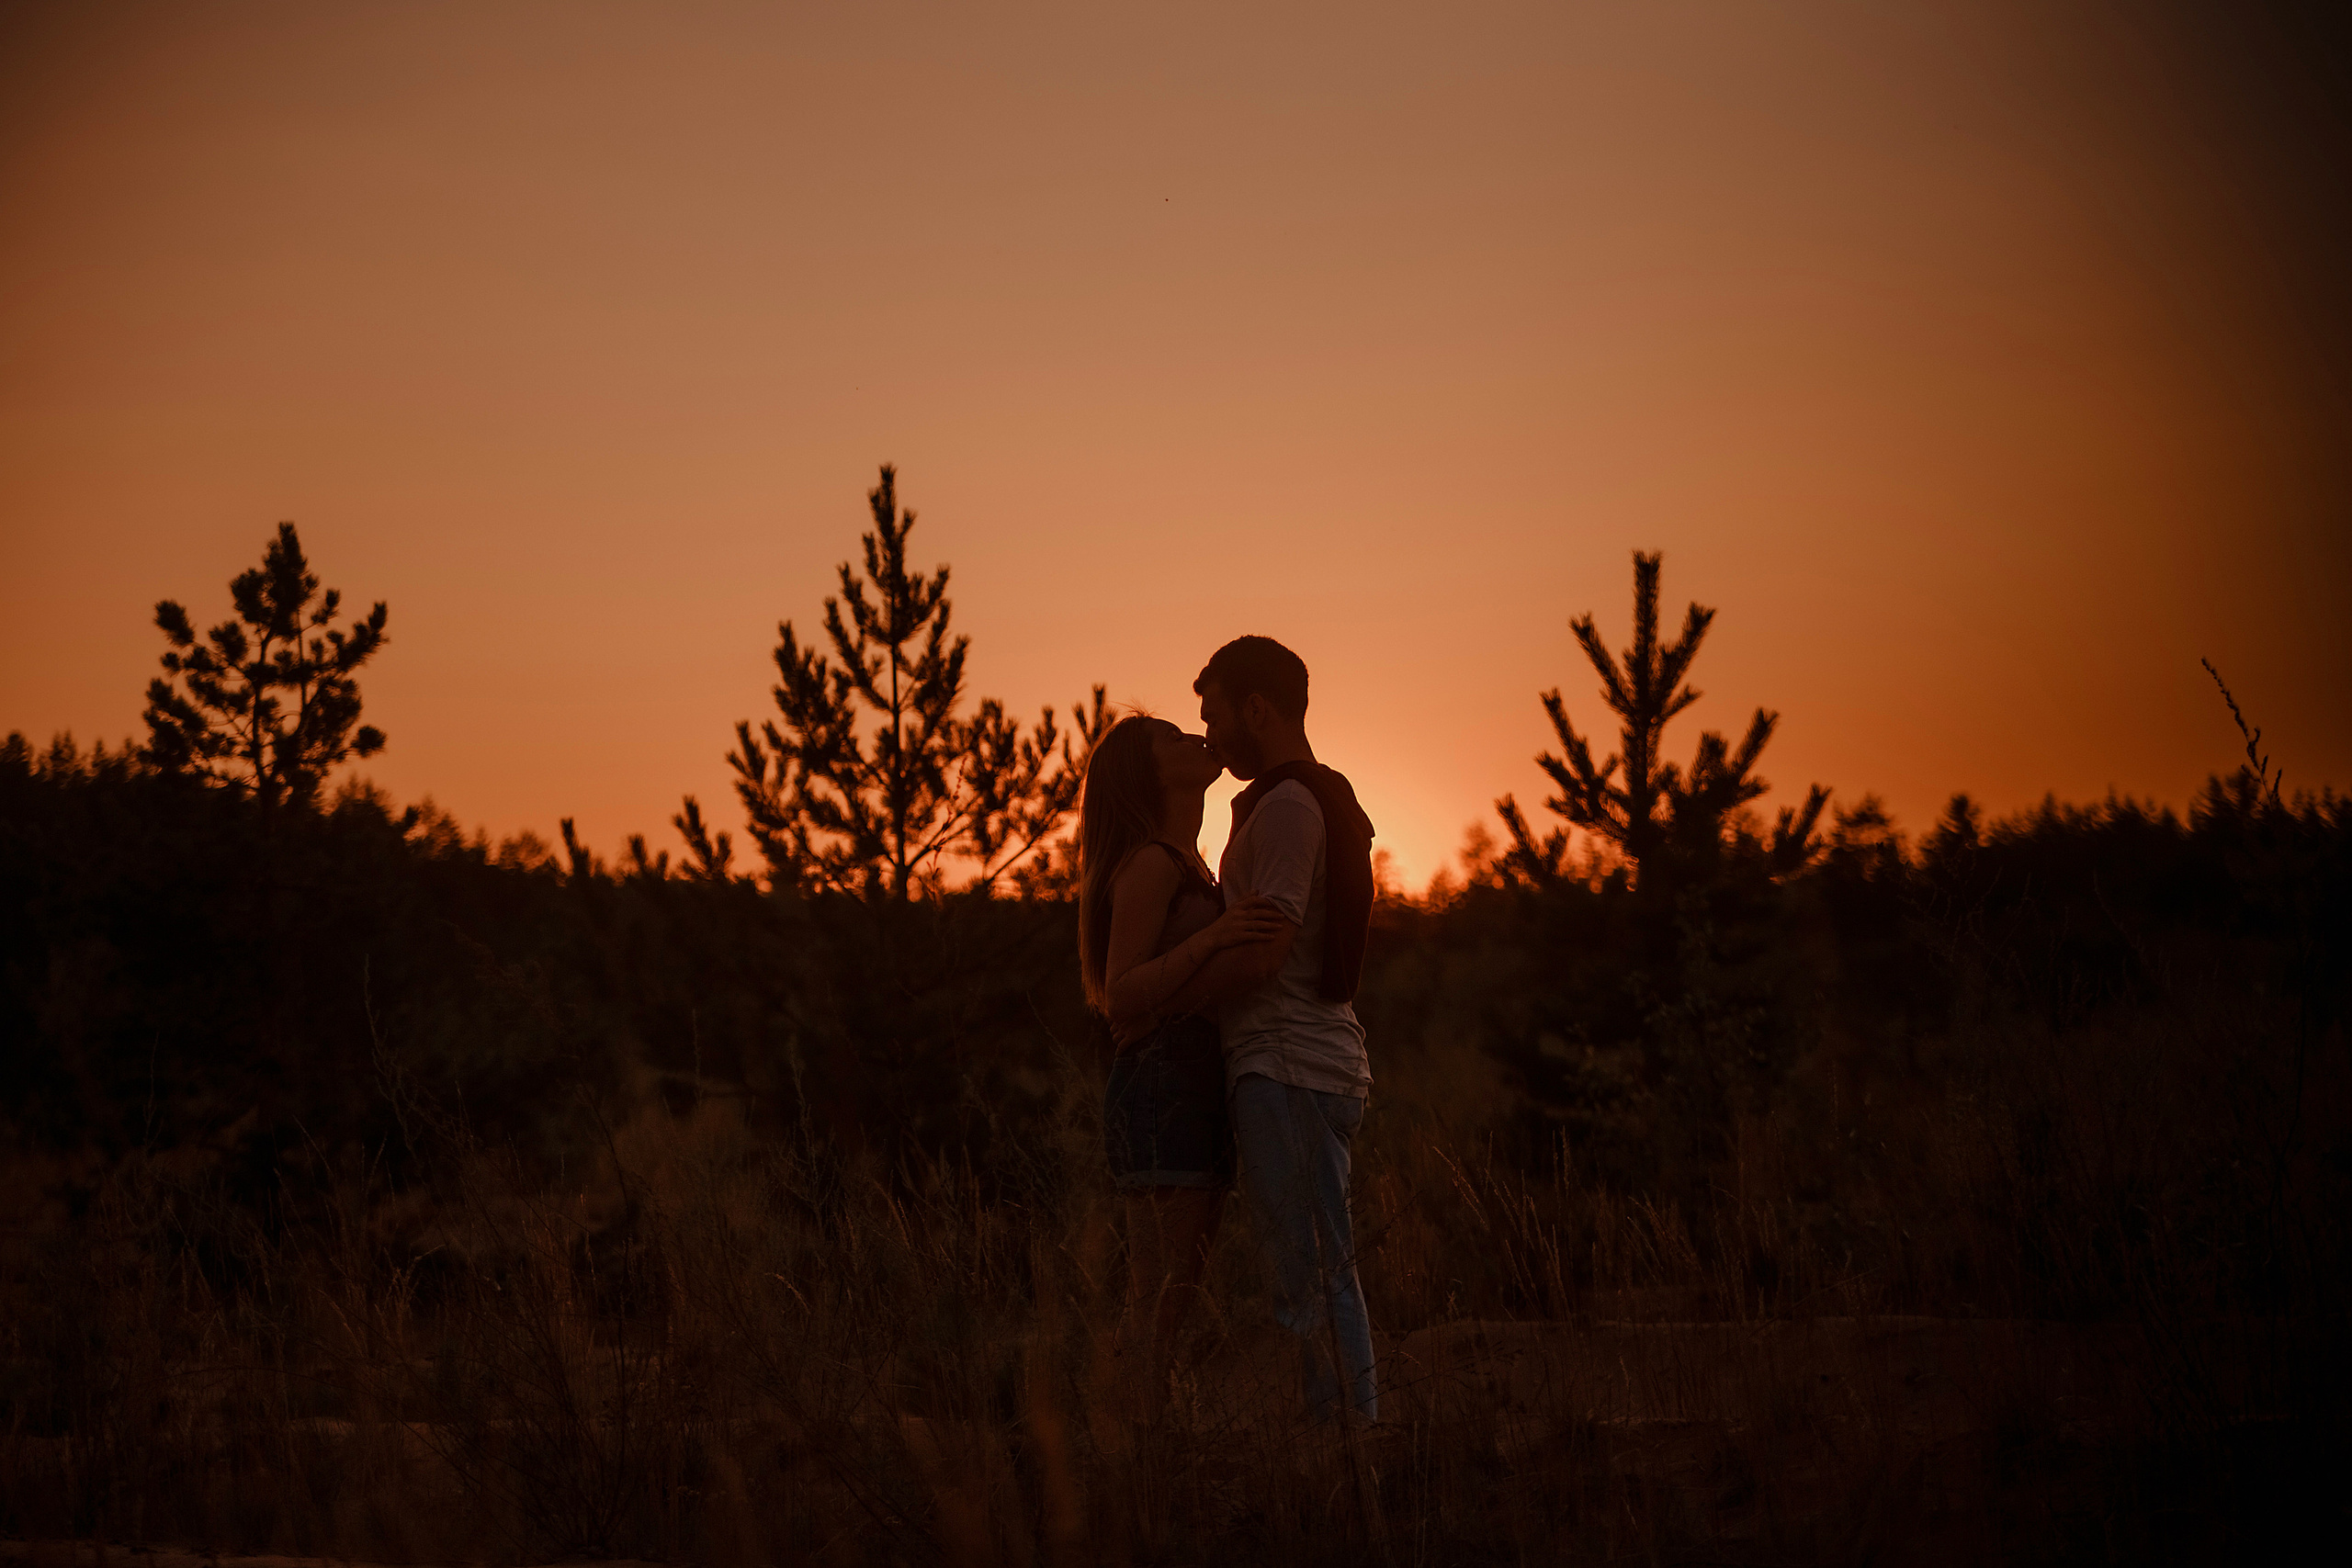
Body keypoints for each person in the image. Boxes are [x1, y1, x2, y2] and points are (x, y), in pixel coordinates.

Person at [1158, 636, 1380, 1425]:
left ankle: (1349, 1450)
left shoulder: (1287, 807)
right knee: (1314, 1273)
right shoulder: (1299, 799)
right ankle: (1347, 1442)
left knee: (1311, 1279)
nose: (1210, 732)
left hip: (1289, 1067)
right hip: (1297, 1066)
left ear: (1258, 708)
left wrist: (1165, 998)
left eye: (1214, 713)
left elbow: (1269, 951)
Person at [1079, 714, 1285, 1418]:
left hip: (1193, 1079)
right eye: (1173, 738)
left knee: (1178, 1296)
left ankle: (1140, 1441)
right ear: (1147, 772)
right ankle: (1119, 1446)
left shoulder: (1192, 860)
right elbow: (1121, 991)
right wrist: (1218, 936)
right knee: (1158, 1295)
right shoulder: (1149, 863)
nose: (1198, 740)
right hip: (1159, 1081)